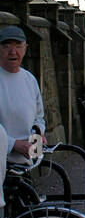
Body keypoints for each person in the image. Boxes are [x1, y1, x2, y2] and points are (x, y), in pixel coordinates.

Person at [0, 26, 46, 167]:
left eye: (18, 46)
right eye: (7, 46)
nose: (13, 52)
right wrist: (13, 144)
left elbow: (38, 117)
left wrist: (37, 140)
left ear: (25, 48)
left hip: (24, 164)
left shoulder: (29, 79)